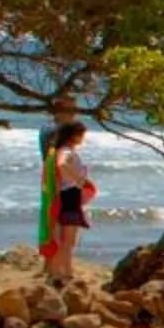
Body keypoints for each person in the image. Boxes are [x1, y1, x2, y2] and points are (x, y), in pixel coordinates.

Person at [43, 120, 97, 284]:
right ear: (74, 136)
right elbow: (62, 165)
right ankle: (66, 274)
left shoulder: (61, 150)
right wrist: (79, 179)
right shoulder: (66, 151)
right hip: (69, 196)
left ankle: (59, 273)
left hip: (66, 196)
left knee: (63, 239)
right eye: (82, 135)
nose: (83, 139)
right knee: (68, 240)